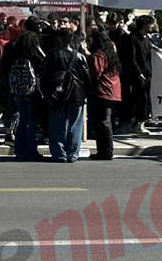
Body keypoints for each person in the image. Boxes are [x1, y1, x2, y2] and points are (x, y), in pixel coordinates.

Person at [41, 26, 89, 163]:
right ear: (71, 39)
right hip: (76, 94)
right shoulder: (79, 56)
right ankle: (72, 153)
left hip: (57, 94)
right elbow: (86, 78)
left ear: (59, 39)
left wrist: (45, 93)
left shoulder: (51, 55)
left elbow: (44, 76)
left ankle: (59, 153)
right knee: (76, 124)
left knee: (57, 124)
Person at [4, 20, 45, 161]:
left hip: (17, 89)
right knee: (31, 121)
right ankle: (31, 150)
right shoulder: (33, 52)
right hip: (31, 89)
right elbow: (43, 62)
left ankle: (20, 149)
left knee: (22, 119)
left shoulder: (12, 48)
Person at [86, 26, 121, 160]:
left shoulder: (98, 55)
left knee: (102, 122)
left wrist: (88, 56)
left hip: (102, 91)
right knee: (105, 121)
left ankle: (105, 151)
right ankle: (105, 150)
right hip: (112, 90)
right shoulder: (111, 54)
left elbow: (95, 73)